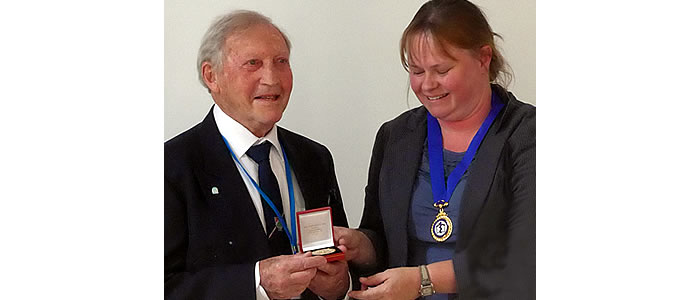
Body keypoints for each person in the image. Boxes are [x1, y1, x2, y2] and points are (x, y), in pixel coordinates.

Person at [335, 0, 535, 299]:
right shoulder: (395, 136)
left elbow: (527, 259)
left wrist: (422, 280)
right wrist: (360, 246)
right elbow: (382, 237)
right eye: (416, 71)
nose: (427, 85)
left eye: (441, 69)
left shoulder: (529, 135)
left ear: (483, 58)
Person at [165, 10, 350, 299]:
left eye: (281, 62)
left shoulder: (314, 157)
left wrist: (340, 285)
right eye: (253, 64)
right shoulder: (171, 167)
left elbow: (339, 256)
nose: (272, 79)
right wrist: (256, 282)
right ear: (211, 76)